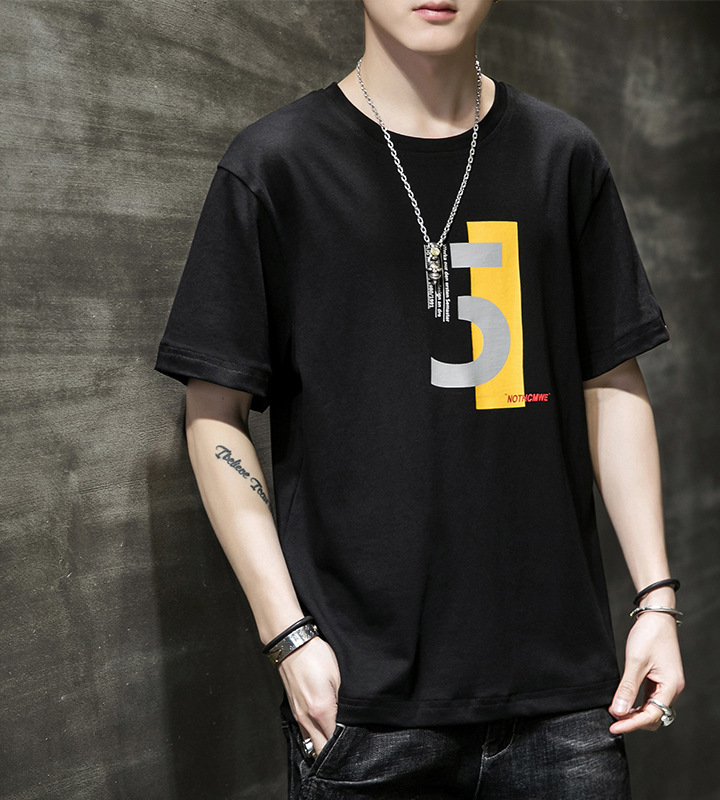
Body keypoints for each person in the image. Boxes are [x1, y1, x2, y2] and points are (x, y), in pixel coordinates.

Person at [156, 1, 685, 797]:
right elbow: (214, 416)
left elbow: (610, 379)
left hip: (566, 705)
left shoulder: (561, 156)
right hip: (365, 711)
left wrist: (657, 601)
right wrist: (288, 638)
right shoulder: (275, 164)